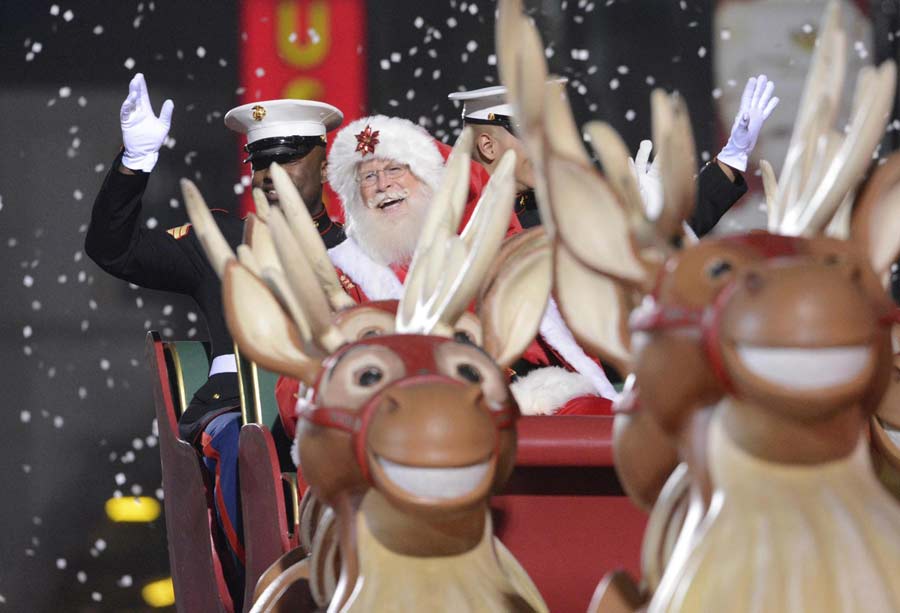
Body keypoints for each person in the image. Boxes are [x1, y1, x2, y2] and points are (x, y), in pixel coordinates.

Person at [85, 72, 344, 606]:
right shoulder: (218, 239)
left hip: (337, 412)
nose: (271, 176)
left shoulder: (360, 249)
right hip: (245, 414)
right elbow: (112, 250)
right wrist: (136, 164)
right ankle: (265, 586)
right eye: (260, 163)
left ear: (324, 160)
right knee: (245, 446)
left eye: (289, 158)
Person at [275, 114, 618, 436]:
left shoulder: (489, 251)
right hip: (408, 414)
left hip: (520, 398)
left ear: (426, 180)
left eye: (395, 169)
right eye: (368, 176)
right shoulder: (341, 274)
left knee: (593, 418)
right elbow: (301, 381)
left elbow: (555, 341)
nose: (383, 185)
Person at [449, 74, 778, 235]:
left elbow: (659, 246)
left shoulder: (570, 203)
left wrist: (733, 156)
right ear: (488, 146)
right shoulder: (445, 218)